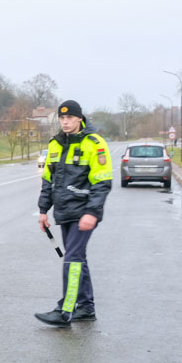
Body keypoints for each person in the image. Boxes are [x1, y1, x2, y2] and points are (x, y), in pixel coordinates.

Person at [35, 99, 112, 326]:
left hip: (84, 211)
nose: (65, 122)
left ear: (79, 118)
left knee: (72, 259)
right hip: (64, 211)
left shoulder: (94, 143)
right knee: (77, 258)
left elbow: (102, 182)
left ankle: (65, 311)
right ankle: (86, 308)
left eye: (69, 118)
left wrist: (92, 212)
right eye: (62, 118)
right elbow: (48, 180)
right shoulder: (56, 144)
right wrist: (42, 211)